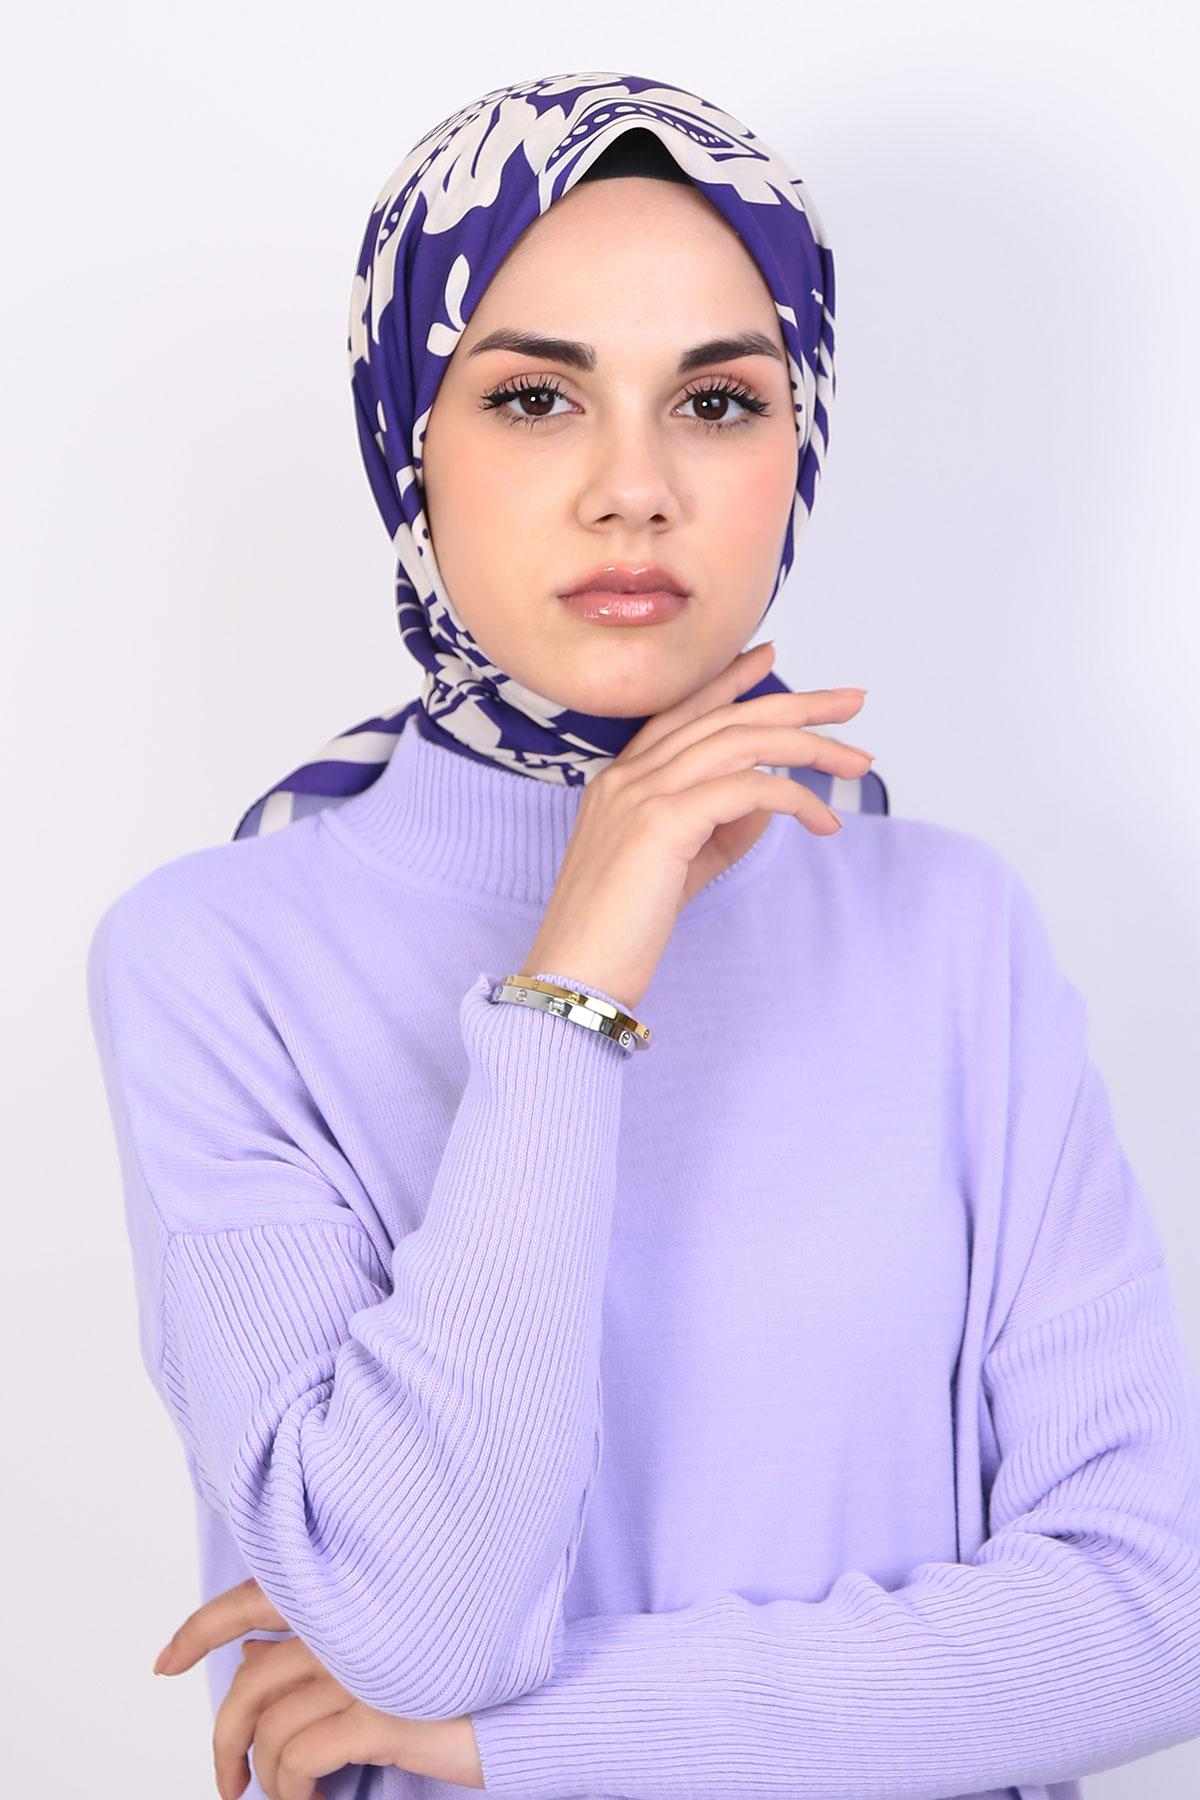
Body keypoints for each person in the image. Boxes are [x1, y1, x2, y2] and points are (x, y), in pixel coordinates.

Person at [86, 69, 1200, 1800]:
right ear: (407, 436)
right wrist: (578, 975)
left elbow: (1152, 1615)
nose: (633, 489)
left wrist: (518, 1739)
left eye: (718, 401)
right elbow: (424, 1619)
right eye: (535, 397)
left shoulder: (949, 931)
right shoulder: (217, 962)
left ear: (799, 443)